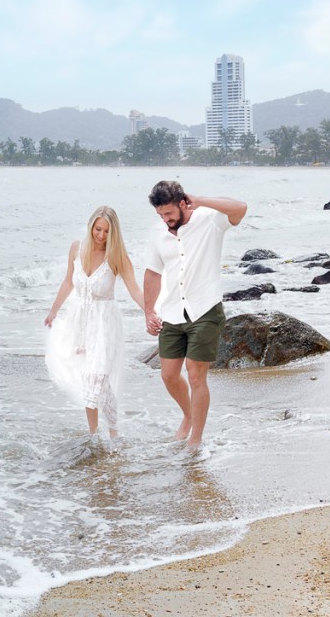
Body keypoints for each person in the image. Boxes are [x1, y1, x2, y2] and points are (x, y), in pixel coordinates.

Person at [141, 180, 247, 453]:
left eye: (169, 213)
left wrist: (201, 199)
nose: (165, 220)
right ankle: (189, 416)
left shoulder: (209, 221)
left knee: (197, 375)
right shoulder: (158, 234)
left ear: (182, 203)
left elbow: (241, 208)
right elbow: (153, 273)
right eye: (160, 215)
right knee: (168, 375)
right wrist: (148, 310)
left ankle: (195, 439)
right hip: (173, 312)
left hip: (205, 309)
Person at [44, 205, 143, 439]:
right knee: (91, 377)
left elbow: (135, 289)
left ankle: (112, 434)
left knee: (98, 376)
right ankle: (98, 434)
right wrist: (53, 311)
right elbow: (68, 282)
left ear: (114, 233)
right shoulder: (77, 249)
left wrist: (152, 313)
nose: (101, 235)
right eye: (98, 229)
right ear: (91, 226)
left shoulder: (117, 256)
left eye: (107, 231)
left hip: (105, 323)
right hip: (79, 321)